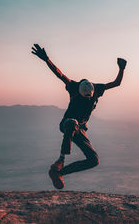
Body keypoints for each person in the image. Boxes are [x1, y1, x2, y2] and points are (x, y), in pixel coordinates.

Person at [31, 44, 127, 189]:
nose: (88, 99)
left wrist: (121, 69)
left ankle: (59, 173)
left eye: (90, 97)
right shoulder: (73, 86)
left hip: (80, 129)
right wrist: (46, 59)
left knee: (94, 160)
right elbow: (59, 74)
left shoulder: (97, 89)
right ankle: (61, 159)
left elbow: (116, 83)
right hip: (67, 124)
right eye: (85, 97)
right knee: (72, 122)